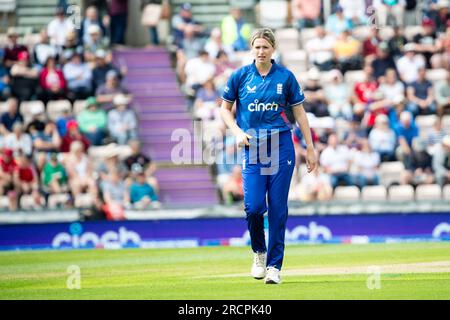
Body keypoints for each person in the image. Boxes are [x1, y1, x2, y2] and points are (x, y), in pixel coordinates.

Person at [220, 28, 317, 284]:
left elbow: (300, 115)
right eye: (257, 47)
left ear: (273, 49)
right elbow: (224, 110)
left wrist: (310, 148)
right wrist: (237, 132)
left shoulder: (285, 77)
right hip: (252, 147)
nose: (261, 51)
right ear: (251, 49)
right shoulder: (240, 76)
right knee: (253, 208)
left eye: (265, 47)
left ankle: (274, 266)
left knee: (277, 209)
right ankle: (258, 252)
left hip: (281, 146)